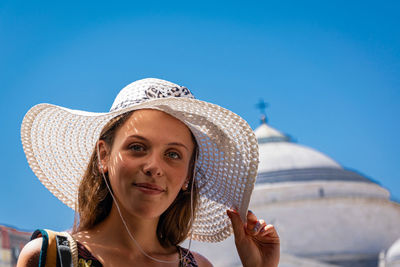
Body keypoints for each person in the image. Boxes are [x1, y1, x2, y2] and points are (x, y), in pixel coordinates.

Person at [17, 78, 280, 267]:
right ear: (104, 156)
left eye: (173, 154)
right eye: (137, 147)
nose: (154, 166)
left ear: (188, 174)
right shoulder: (51, 256)